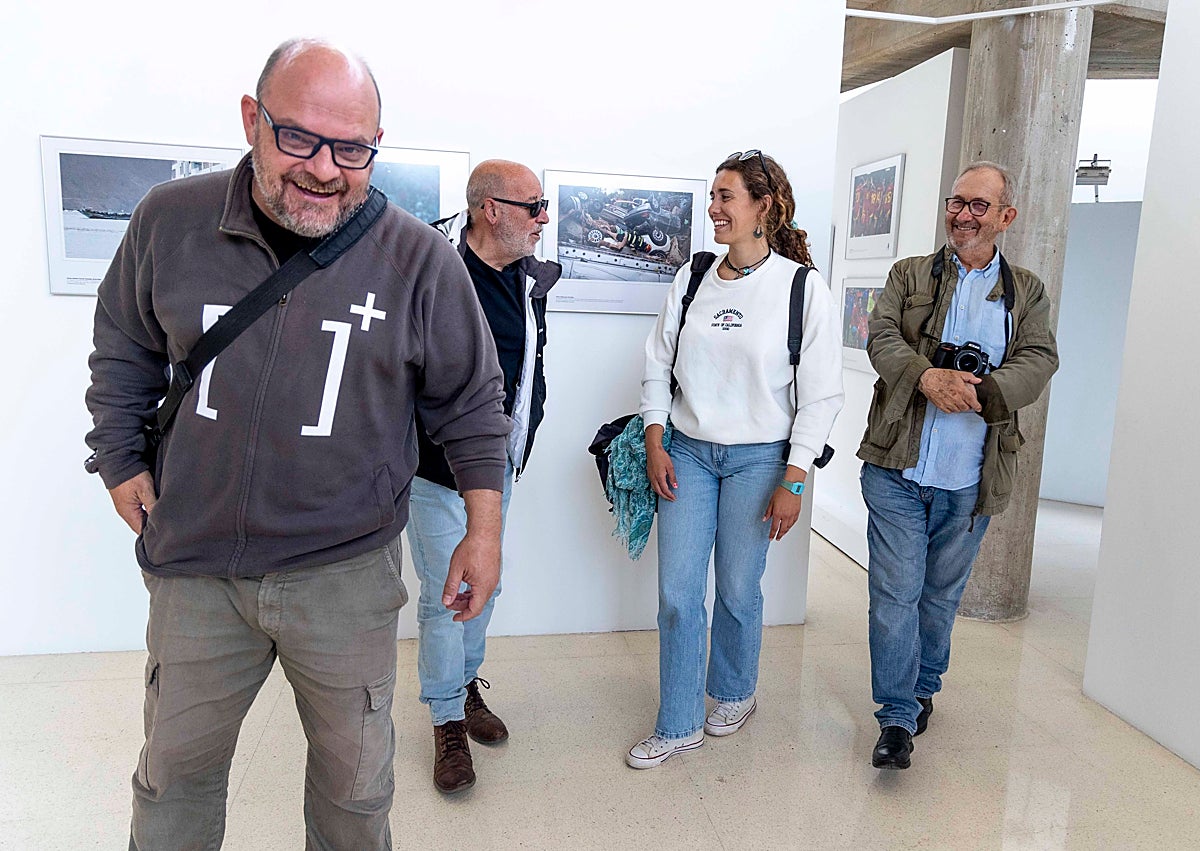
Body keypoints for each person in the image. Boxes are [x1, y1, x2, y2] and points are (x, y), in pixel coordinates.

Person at [83, 39, 510, 849]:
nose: (325, 167)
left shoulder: (418, 259)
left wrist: (483, 532)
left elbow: (472, 403)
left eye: (353, 148)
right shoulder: (169, 222)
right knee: (173, 781)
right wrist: (119, 456)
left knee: (355, 796)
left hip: (345, 576)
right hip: (197, 568)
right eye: (300, 138)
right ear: (252, 120)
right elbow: (123, 346)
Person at [627, 150, 845, 768]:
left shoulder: (802, 288)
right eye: (713, 196)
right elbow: (657, 364)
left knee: (739, 590)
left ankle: (733, 691)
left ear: (762, 208)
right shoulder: (692, 278)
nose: (714, 209)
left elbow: (823, 395)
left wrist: (795, 480)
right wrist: (654, 439)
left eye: (726, 197)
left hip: (761, 461)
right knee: (676, 593)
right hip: (688, 454)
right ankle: (677, 723)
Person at [858, 162, 1059, 770]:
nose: (964, 215)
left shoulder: (1026, 292)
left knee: (939, 596)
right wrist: (926, 375)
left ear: (1005, 217)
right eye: (956, 202)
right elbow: (881, 335)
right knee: (894, 593)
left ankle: (923, 690)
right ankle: (894, 718)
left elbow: (1041, 356)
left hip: (972, 478)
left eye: (979, 205)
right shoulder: (910, 274)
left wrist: (984, 392)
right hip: (897, 466)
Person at [412, 160, 560, 793]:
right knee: (449, 597)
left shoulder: (527, 283)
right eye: (533, 206)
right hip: (432, 464)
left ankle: (466, 687)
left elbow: (526, 368)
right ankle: (446, 720)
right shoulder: (432, 265)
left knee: (486, 587)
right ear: (489, 209)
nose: (543, 218)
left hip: (497, 464)